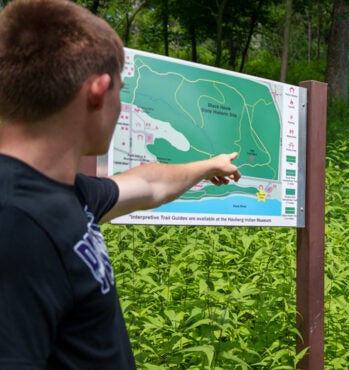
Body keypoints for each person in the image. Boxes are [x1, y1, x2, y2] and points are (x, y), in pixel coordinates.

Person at [0, 0, 242, 367]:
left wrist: (209, 165)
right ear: (99, 91)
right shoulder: (16, 223)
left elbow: (147, 184)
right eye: (121, 91)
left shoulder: (63, 194)